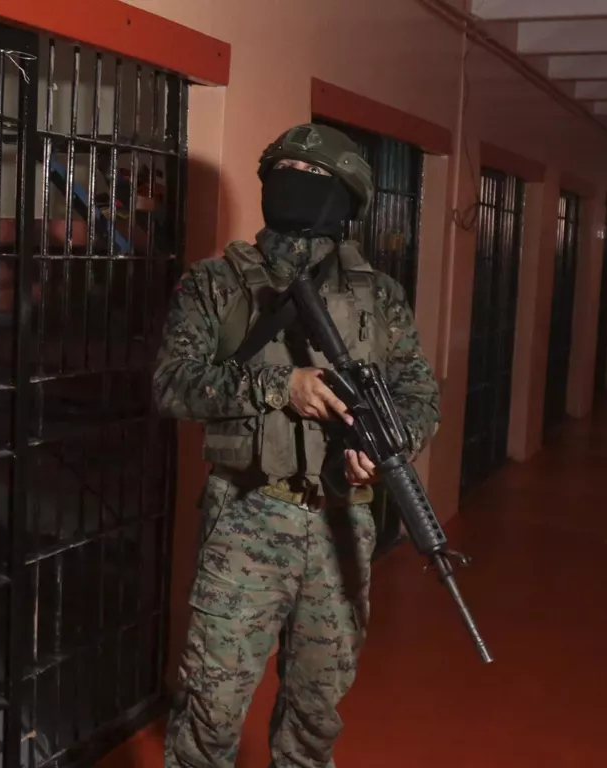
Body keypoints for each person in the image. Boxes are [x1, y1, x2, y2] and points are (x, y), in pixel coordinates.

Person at [152, 123, 440, 767]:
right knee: (210, 708)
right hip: (246, 518)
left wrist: (394, 444)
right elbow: (171, 386)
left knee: (316, 713)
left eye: (313, 177)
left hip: (343, 523)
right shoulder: (216, 283)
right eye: (284, 171)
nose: (295, 185)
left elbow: (421, 395)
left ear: (346, 199)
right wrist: (280, 386)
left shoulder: (380, 297)